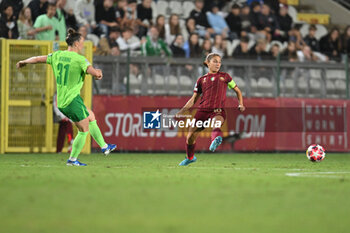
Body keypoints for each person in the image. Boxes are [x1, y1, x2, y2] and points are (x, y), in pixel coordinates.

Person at [16, 28, 116, 166]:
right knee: (83, 130)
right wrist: (99, 72)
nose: (82, 44)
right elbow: (95, 74)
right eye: (81, 42)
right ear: (76, 44)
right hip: (72, 100)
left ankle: (104, 146)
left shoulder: (57, 55)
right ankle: (72, 160)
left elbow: (38, 59)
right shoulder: (80, 59)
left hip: (62, 101)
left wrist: (24, 61)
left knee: (91, 116)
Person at [176, 53, 245, 166]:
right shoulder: (201, 80)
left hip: (218, 110)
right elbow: (193, 99)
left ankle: (215, 140)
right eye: (215, 61)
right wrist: (181, 111)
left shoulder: (225, 77)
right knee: (190, 137)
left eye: (219, 62)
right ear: (207, 63)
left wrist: (241, 103)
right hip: (202, 111)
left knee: (216, 123)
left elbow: (238, 91)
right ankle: (190, 157)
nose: (218, 64)